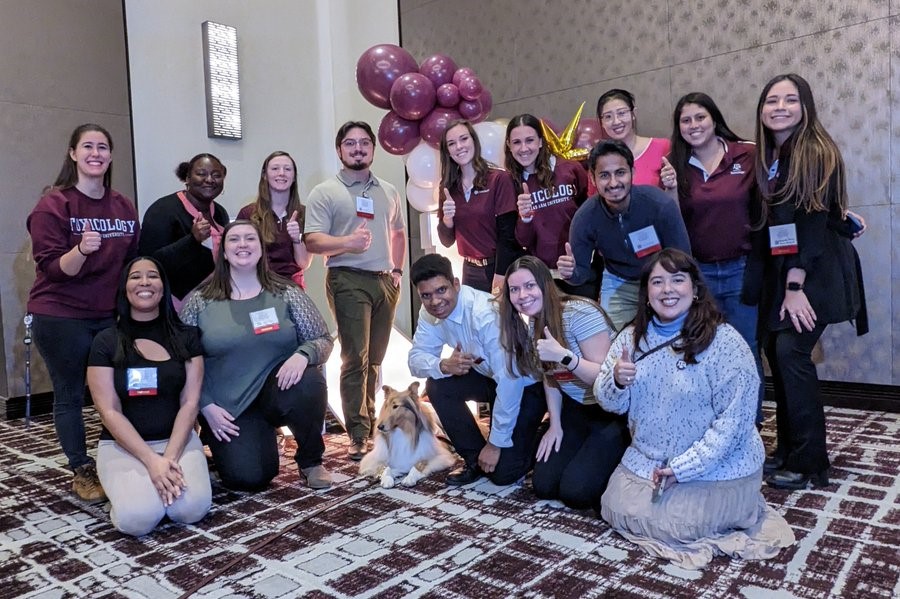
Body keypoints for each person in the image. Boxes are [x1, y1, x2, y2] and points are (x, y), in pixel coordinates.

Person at [597, 248, 795, 570]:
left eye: (677, 280)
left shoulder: (726, 342)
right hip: (652, 458)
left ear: (696, 289)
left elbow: (735, 425)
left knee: (677, 525)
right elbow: (611, 404)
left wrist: (685, 468)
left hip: (716, 465)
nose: (667, 290)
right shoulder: (631, 338)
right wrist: (617, 381)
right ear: (646, 294)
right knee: (613, 505)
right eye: (657, 282)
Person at [749, 73, 867, 490]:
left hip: (814, 269)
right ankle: (789, 448)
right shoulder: (775, 154)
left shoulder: (814, 150)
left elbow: (813, 221)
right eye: (771, 101)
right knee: (774, 348)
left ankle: (810, 461)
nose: (779, 107)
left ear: (805, 107)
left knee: (791, 350)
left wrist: (795, 286)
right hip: (790, 267)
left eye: (790, 100)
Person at [26, 124, 140, 502]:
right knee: (71, 394)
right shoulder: (54, 205)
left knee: (120, 389)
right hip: (60, 316)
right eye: (87, 146)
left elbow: (131, 262)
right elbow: (54, 270)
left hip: (107, 316)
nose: (96, 153)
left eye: (103, 147)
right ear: (73, 153)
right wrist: (82, 249)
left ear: (110, 156)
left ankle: (121, 452)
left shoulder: (122, 205)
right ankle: (81, 468)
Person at [180, 220, 334, 490]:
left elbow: (321, 339)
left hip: (278, 389)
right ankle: (230, 451)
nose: (242, 245)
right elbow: (182, 361)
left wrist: (303, 355)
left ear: (261, 249)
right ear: (224, 252)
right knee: (250, 478)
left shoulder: (286, 292)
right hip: (227, 406)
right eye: (234, 239)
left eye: (250, 239)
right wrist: (205, 406)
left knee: (310, 382)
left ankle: (311, 461)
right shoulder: (200, 301)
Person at [303, 121, 406, 460]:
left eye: (364, 143)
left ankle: (373, 423)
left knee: (375, 360)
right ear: (339, 150)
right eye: (350, 144)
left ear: (373, 149)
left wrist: (397, 270)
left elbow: (398, 233)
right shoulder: (325, 191)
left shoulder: (388, 190)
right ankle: (358, 435)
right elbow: (313, 239)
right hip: (346, 278)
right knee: (355, 358)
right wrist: (347, 242)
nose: (358, 149)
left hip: (383, 281)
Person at [87, 257, 211, 536]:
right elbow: (109, 411)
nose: (145, 282)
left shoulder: (187, 336)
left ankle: (150, 489)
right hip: (123, 445)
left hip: (177, 441)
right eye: (135, 277)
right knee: (138, 520)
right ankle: (131, 492)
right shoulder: (106, 341)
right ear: (124, 288)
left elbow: (190, 402)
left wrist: (168, 457)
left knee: (191, 510)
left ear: (163, 287)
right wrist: (151, 460)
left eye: (153, 276)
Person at [498, 256, 627, 511]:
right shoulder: (533, 321)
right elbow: (551, 377)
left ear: (546, 284)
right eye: (514, 289)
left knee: (576, 493)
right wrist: (554, 425)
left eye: (529, 286)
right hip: (576, 407)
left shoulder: (579, 313)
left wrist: (566, 357)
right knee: (544, 485)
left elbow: (606, 379)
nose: (522, 295)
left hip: (610, 411)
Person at [408, 253, 546, 486]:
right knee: (437, 384)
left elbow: (510, 381)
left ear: (456, 284)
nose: (435, 302)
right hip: (489, 379)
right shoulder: (428, 313)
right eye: (426, 296)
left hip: (526, 386)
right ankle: (474, 460)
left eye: (441, 290)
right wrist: (442, 364)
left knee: (504, 475)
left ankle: (542, 431)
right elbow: (415, 360)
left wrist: (495, 443)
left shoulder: (485, 314)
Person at [668, 93, 765, 419]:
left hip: (742, 269)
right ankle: (714, 425)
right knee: (704, 349)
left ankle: (748, 425)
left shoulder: (748, 154)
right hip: (700, 275)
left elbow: (780, 196)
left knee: (745, 350)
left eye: (700, 117)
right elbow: (673, 221)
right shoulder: (674, 167)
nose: (693, 125)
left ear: (714, 119)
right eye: (686, 120)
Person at [558, 140, 691, 331]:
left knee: (675, 335)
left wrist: (670, 287)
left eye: (620, 173)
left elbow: (683, 258)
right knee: (612, 342)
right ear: (593, 179)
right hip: (618, 281)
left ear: (632, 173)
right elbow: (580, 273)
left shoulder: (658, 204)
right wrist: (570, 274)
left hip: (662, 277)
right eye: (604, 175)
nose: (613, 183)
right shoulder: (585, 218)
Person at [504, 114, 595, 298]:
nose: (524, 148)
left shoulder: (569, 169)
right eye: (517, 142)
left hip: (581, 270)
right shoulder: (511, 183)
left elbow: (591, 212)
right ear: (509, 145)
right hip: (544, 277)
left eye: (530, 140)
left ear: (540, 141)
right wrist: (526, 217)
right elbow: (523, 241)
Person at [437, 119, 520, 293]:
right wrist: (447, 220)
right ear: (447, 152)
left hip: (498, 267)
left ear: (474, 141)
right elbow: (446, 241)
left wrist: (501, 274)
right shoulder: (447, 188)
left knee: (502, 320)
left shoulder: (498, 179)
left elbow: (508, 235)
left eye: (464, 139)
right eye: (452, 143)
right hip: (469, 270)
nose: (459, 146)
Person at [139, 154, 230, 302]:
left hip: (214, 298)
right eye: (201, 174)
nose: (209, 180)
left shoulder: (220, 212)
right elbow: (149, 262)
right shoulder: (163, 210)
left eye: (216, 175)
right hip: (176, 303)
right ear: (187, 178)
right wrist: (192, 241)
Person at [237, 151, 311, 289]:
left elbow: (304, 263)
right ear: (265, 175)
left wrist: (296, 238)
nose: (281, 173)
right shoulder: (248, 213)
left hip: (292, 288)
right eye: (275, 168)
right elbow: (239, 258)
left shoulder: (304, 213)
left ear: (294, 177)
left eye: (287, 169)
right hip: (257, 287)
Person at [595, 88, 677, 195]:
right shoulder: (598, 158)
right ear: (601, 122)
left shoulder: (663, 147)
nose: (616, 121)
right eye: (608, 116)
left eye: (621, 113)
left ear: (634, 114)